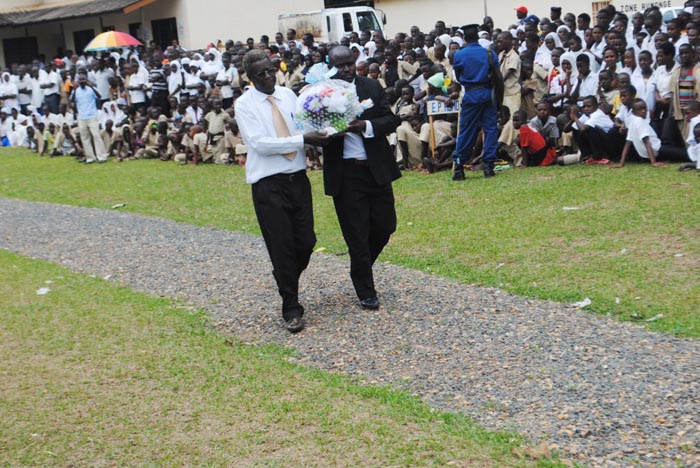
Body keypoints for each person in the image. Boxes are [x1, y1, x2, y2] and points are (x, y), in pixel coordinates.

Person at [235, 50, 331, 333]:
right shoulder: (245, 105)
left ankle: (284, 276)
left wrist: (322, 130)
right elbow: (260, 143)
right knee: (281, 245)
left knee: (306, 241)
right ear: (249, 78)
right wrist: (303, 140)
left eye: (270, 70)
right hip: (268, 183)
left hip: (297, 179)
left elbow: (303, 126)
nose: (267, 77)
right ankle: (291, 306)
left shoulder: (288, 96)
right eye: (260, 74)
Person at [322, 45, 401, 310]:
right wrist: (329, 131)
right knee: (356, 234)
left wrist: (364, 126)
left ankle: (360, 266)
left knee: (385, 225)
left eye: (348, 64)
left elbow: (390, 120)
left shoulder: (370, 86)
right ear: (330, 65)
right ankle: (366, 289)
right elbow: (310, 129)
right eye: (339, 65)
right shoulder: (321, 93)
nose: (345, 70)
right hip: (345, 173)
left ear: (355, 61)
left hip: (375, 168)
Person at [451, 24, 504, 179]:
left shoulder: (459, 55)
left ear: (465, 38)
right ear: (478, 37)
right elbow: (498, 77)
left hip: (471, 94)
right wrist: (500, 99)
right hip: (488, 93)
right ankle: (488, 166)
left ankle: (459, 167)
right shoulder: (489, 53)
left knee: (466, 130)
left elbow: (459, 77)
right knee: (490, 129)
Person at [70, 72, 108, 163]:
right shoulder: (76, 90)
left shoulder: (91, 89)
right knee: (85, 138)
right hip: (81, 117)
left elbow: (99, 96)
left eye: (83, 80)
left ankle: (101, 156)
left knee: (96, 136)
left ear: (86, 80)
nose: (82, 81)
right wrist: (74, 89)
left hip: (92, 116)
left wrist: (91, 87)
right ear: (78, 81)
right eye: (80, 80)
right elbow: (71, 101)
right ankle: (90, 157)